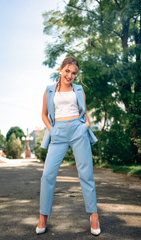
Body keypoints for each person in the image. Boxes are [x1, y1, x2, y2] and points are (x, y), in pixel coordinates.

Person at [36, 56, 101, 236]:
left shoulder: (79, 90)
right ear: (61, 69)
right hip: (58, 133)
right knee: (48, 175)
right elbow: (44, 114)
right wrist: (52, 129)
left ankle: (94, 216)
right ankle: (43, 216)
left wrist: (85, 126)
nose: (70, 76)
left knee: (86, 174)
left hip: (78, 131)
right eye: (67, 71)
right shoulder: (49, 90)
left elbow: (84, 113)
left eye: (73, 73)